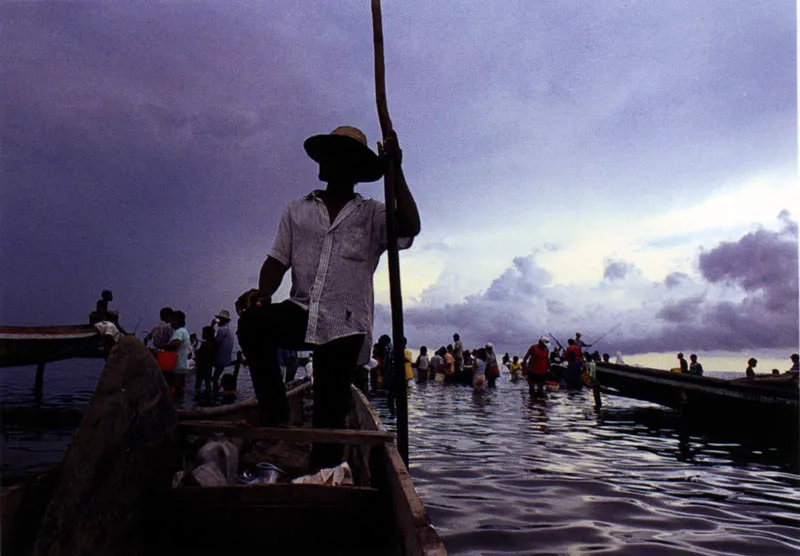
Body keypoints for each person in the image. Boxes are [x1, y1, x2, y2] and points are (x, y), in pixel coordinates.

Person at [236, 126, 419, 467]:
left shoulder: (373, 214)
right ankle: (274, 413)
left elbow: (410, 226)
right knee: (253, 323)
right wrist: (262, 295)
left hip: (345, 324)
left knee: (328, 421)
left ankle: (322, 473)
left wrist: (396, 169)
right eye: (328, 155)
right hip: (301, 310)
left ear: (355, 169)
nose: (329, 162)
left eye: (340, 156)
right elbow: (277, 259)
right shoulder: (297, 209)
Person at [158, 310, 191, 397]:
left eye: (172, 320)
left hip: (176, 367)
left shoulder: (179, 332)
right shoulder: (184, 331)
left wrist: (161, 346)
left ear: (177, 321)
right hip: (182, 367)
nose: (170, 322)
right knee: (179, 392)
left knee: (173, 393)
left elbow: (175, 344)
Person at [212, 310, 235, 390]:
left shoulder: (222, 330)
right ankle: (217, 388)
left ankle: (215, 391)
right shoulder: (228, 329)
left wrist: (212, 326)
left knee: (214, 378)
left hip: (220, 359)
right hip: (226, 359)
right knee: (216, 376)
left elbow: (214, 342)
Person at [194, 326, 217, 395]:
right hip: (208, 366)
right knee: (208, 384)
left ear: (206, 334)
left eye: (203, 333)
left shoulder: (205, 344)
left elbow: (199, 354)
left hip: (202, 366)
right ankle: (208, 397)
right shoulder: (213, 342)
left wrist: (197, 351)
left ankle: (197, 398)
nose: (202, 334)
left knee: (198, 384)